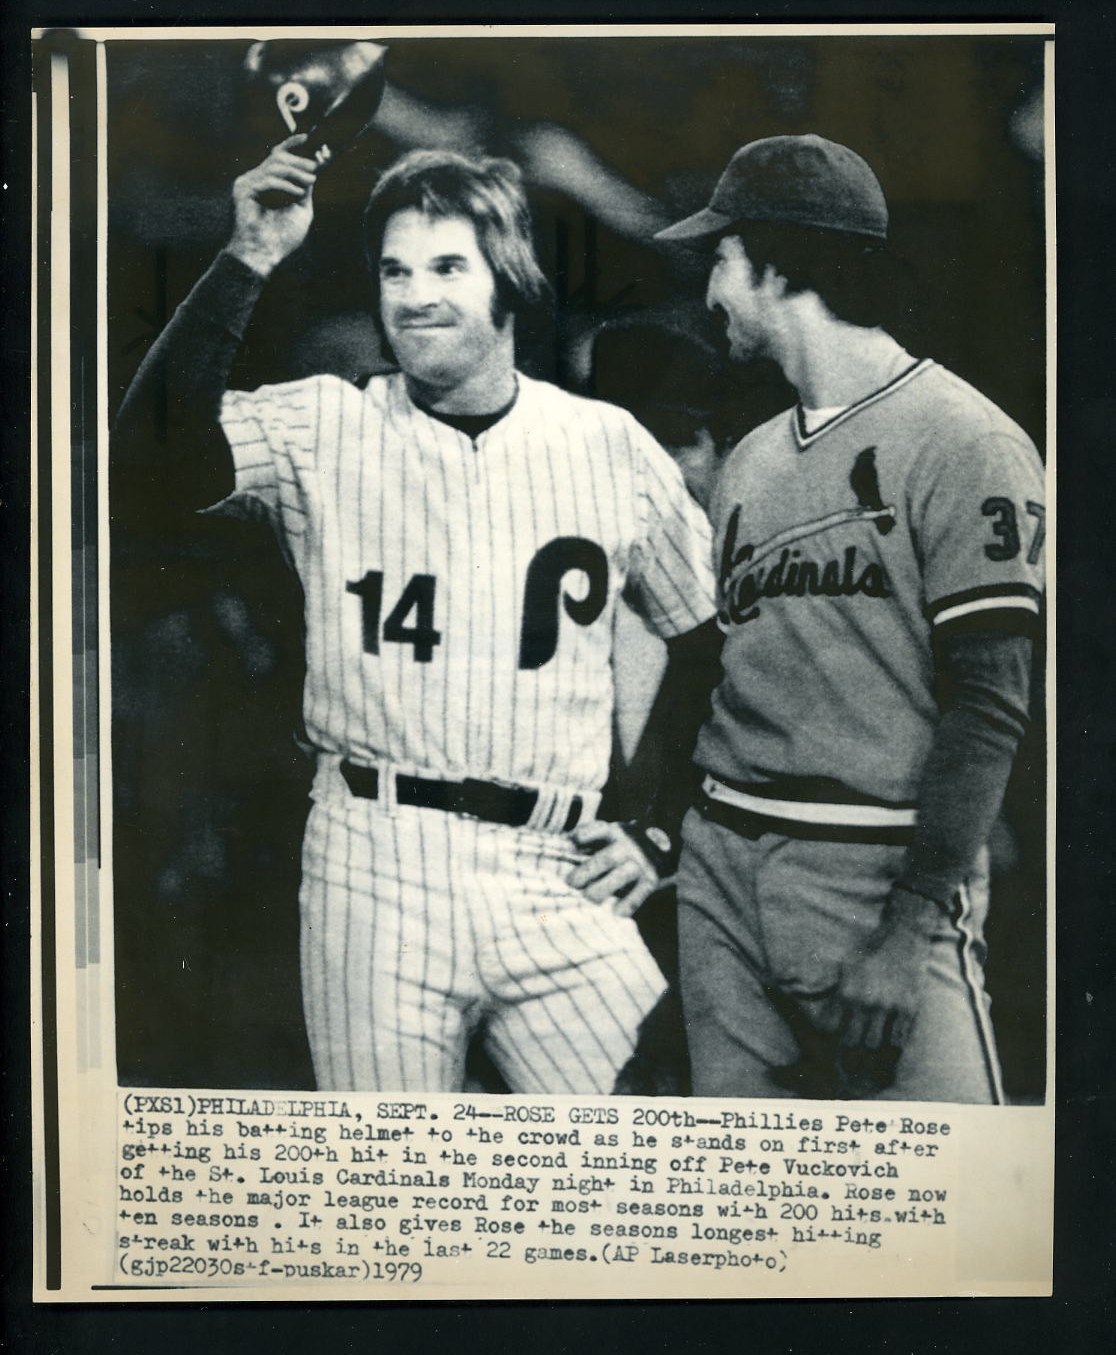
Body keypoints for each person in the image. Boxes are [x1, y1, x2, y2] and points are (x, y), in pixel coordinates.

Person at [114, 138, 720, 1094]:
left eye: (447, 266)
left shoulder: (608, 444)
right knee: (392, 1186)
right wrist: (246, 262)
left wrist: (654, 828)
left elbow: (704, 641)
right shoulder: (324, 420)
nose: (413, 295)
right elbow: (148, 466)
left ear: (509, 278)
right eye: (394, 270)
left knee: (654, 1151)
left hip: (555, 864)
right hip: (375, 854)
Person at [655, 135, 1045, 1102]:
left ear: (774, 263)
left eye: (721, 257)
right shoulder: (747, 460)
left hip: (877, 872)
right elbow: (721, 673)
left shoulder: (968, 438)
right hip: (725, 866)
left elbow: (991, 706)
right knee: (749, 1215)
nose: (711, 289)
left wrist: (910, 928)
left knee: (957, 1212)